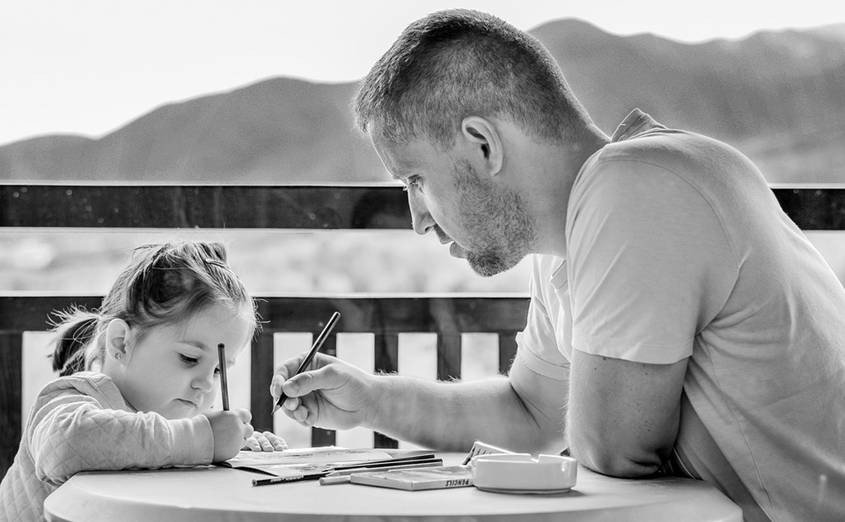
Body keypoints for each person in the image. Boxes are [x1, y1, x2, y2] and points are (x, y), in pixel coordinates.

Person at [271, 9, 845, 521]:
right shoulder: (574, 235)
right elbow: (528, 414)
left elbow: (611, 451)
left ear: (483, 145)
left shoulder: (636, 185)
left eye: (416, 180)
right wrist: (370, 398)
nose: (418, 218)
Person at [0, 241, 286, 522]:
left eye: (217, 371)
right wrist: (201, 439)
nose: (206, 385)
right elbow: (63, 448)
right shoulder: (72, 399)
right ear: (121, 343)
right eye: (189, 358)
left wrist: (232, 449)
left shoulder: (168, 429)